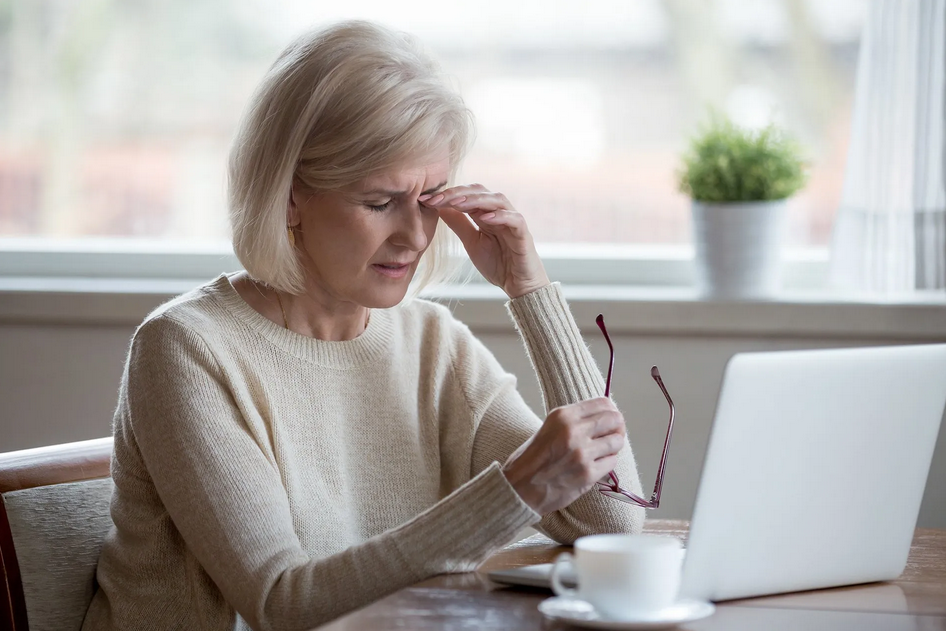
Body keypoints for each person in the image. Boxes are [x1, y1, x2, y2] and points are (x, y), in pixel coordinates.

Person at [81, 19, 644, 631]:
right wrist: (516, 491)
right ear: (290, 196)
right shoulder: (187, 350)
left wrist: (530, 291)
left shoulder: (433, 344)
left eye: (430, 200)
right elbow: (283, 605)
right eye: (380, 203)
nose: (415, 236)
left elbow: (609, 521)